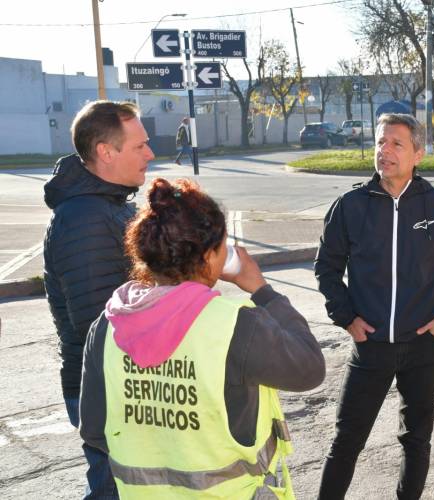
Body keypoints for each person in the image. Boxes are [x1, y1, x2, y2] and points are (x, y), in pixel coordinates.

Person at [79, 177, 326, 498]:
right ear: (210, 257)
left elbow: (95, 431)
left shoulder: (107, 325)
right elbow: (309, 368)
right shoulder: (235, 325)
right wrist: (262, 290)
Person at [315, 113, 434, 499]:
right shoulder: (350, 206)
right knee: (346, 441)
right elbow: (327, 268)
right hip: (370, 346)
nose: (384, 151)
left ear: (418, 154)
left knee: (416, 441)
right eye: (380, 142)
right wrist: (346, 318)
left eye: (396, 144)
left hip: (425, 347)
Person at [43, 100, 154, 498]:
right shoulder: (85, 218)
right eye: (140, 145)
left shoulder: (110, 205)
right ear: (106, 152)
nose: (150, 153)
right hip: (109, 391)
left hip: (122, 385)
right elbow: (100, 325)